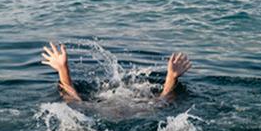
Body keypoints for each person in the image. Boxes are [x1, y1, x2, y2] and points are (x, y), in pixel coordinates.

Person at [40, 42, 192, 102]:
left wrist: (63, 69)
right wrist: (171, 76)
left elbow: (72, 98)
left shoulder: (96, 108)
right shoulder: (144, 107)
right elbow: (165, 98)